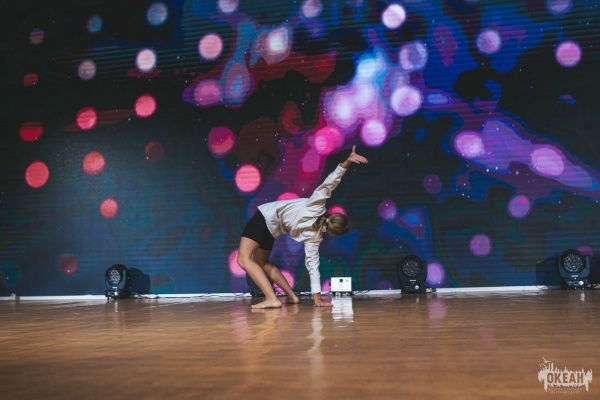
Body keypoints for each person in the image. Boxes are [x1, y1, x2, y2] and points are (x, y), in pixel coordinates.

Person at [237, 146, 368, 309]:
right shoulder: (315, 236)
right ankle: (292, 296)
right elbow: (313, 267)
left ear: (333, 215)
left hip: (265, 218)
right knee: (262, 263)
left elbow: (330, 183)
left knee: (243, 259)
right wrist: (317, 299)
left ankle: (271, 298)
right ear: (334, 233)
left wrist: (347, 162)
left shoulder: (316, 207)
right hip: (272, 229)